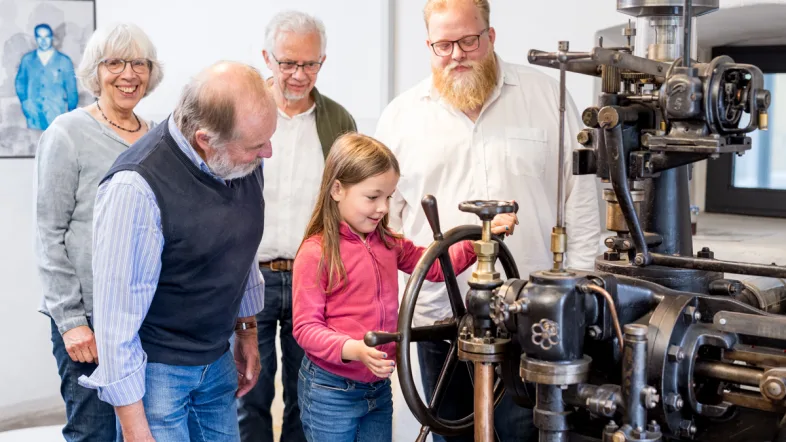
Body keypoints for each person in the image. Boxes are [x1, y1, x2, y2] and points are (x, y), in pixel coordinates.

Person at [374, 0, 601, 440]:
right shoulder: (402, 116)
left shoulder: (546, 97)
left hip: (532, 314)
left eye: (468, 40)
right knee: (451, 430)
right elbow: (389, 222)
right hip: (441, 316)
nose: (456, 53)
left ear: (491, 36)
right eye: (443, 44)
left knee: (523, 430)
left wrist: (585, 291)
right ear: (429, 45)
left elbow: (582, 199)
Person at [78, 61, 277, 442]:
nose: (267, 152)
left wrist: (246, 330)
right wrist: (135, 428)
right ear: (206, 139)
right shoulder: (135, 188)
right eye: (256, 145)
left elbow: (242, 245)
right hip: (157, 375)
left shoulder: (242, 159)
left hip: (216, 358)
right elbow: (116, 324)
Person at [291, 133, 517, 442]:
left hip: (378, 388)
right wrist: (353, 349)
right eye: (373, 197)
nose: (383, 207)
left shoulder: (389, 242)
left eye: (389, 196)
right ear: (337, 189)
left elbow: (436, 266)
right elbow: (305, 327)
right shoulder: (316, 252)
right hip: (330, 390)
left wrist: (480, 241)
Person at [34, 23, 163, 442]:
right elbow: (49, 235)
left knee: (146, 431)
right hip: (88, 317)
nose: (129, 74)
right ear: (96, 71)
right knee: (93, 433)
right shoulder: (67, 133)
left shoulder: (161, 136)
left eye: (139, 63)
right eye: (115, 63)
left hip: (149, 314)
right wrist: (71, 321)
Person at [237, 10, 356, 442]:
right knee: (246, 392)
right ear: (266, 58)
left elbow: (350, 205)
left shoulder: (339, 122)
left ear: (322, 60)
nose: (299, 74)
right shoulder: (241, 115)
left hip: (314, 278)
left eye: (310, 63)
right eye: (288, 63)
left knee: (308, 396)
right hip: (250, 278)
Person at [16, 23, 79, 130]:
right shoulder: (27, 60)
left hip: (56, 112)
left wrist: (71, 111)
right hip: (34, 113)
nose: (43, 41)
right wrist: (25, 102)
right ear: (35, 39)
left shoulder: (64, 61)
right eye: (40, 37)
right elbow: (20, 83)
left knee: (55, 143)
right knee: (36, 143)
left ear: (52, 38)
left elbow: (71, 88)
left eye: (47, 37)